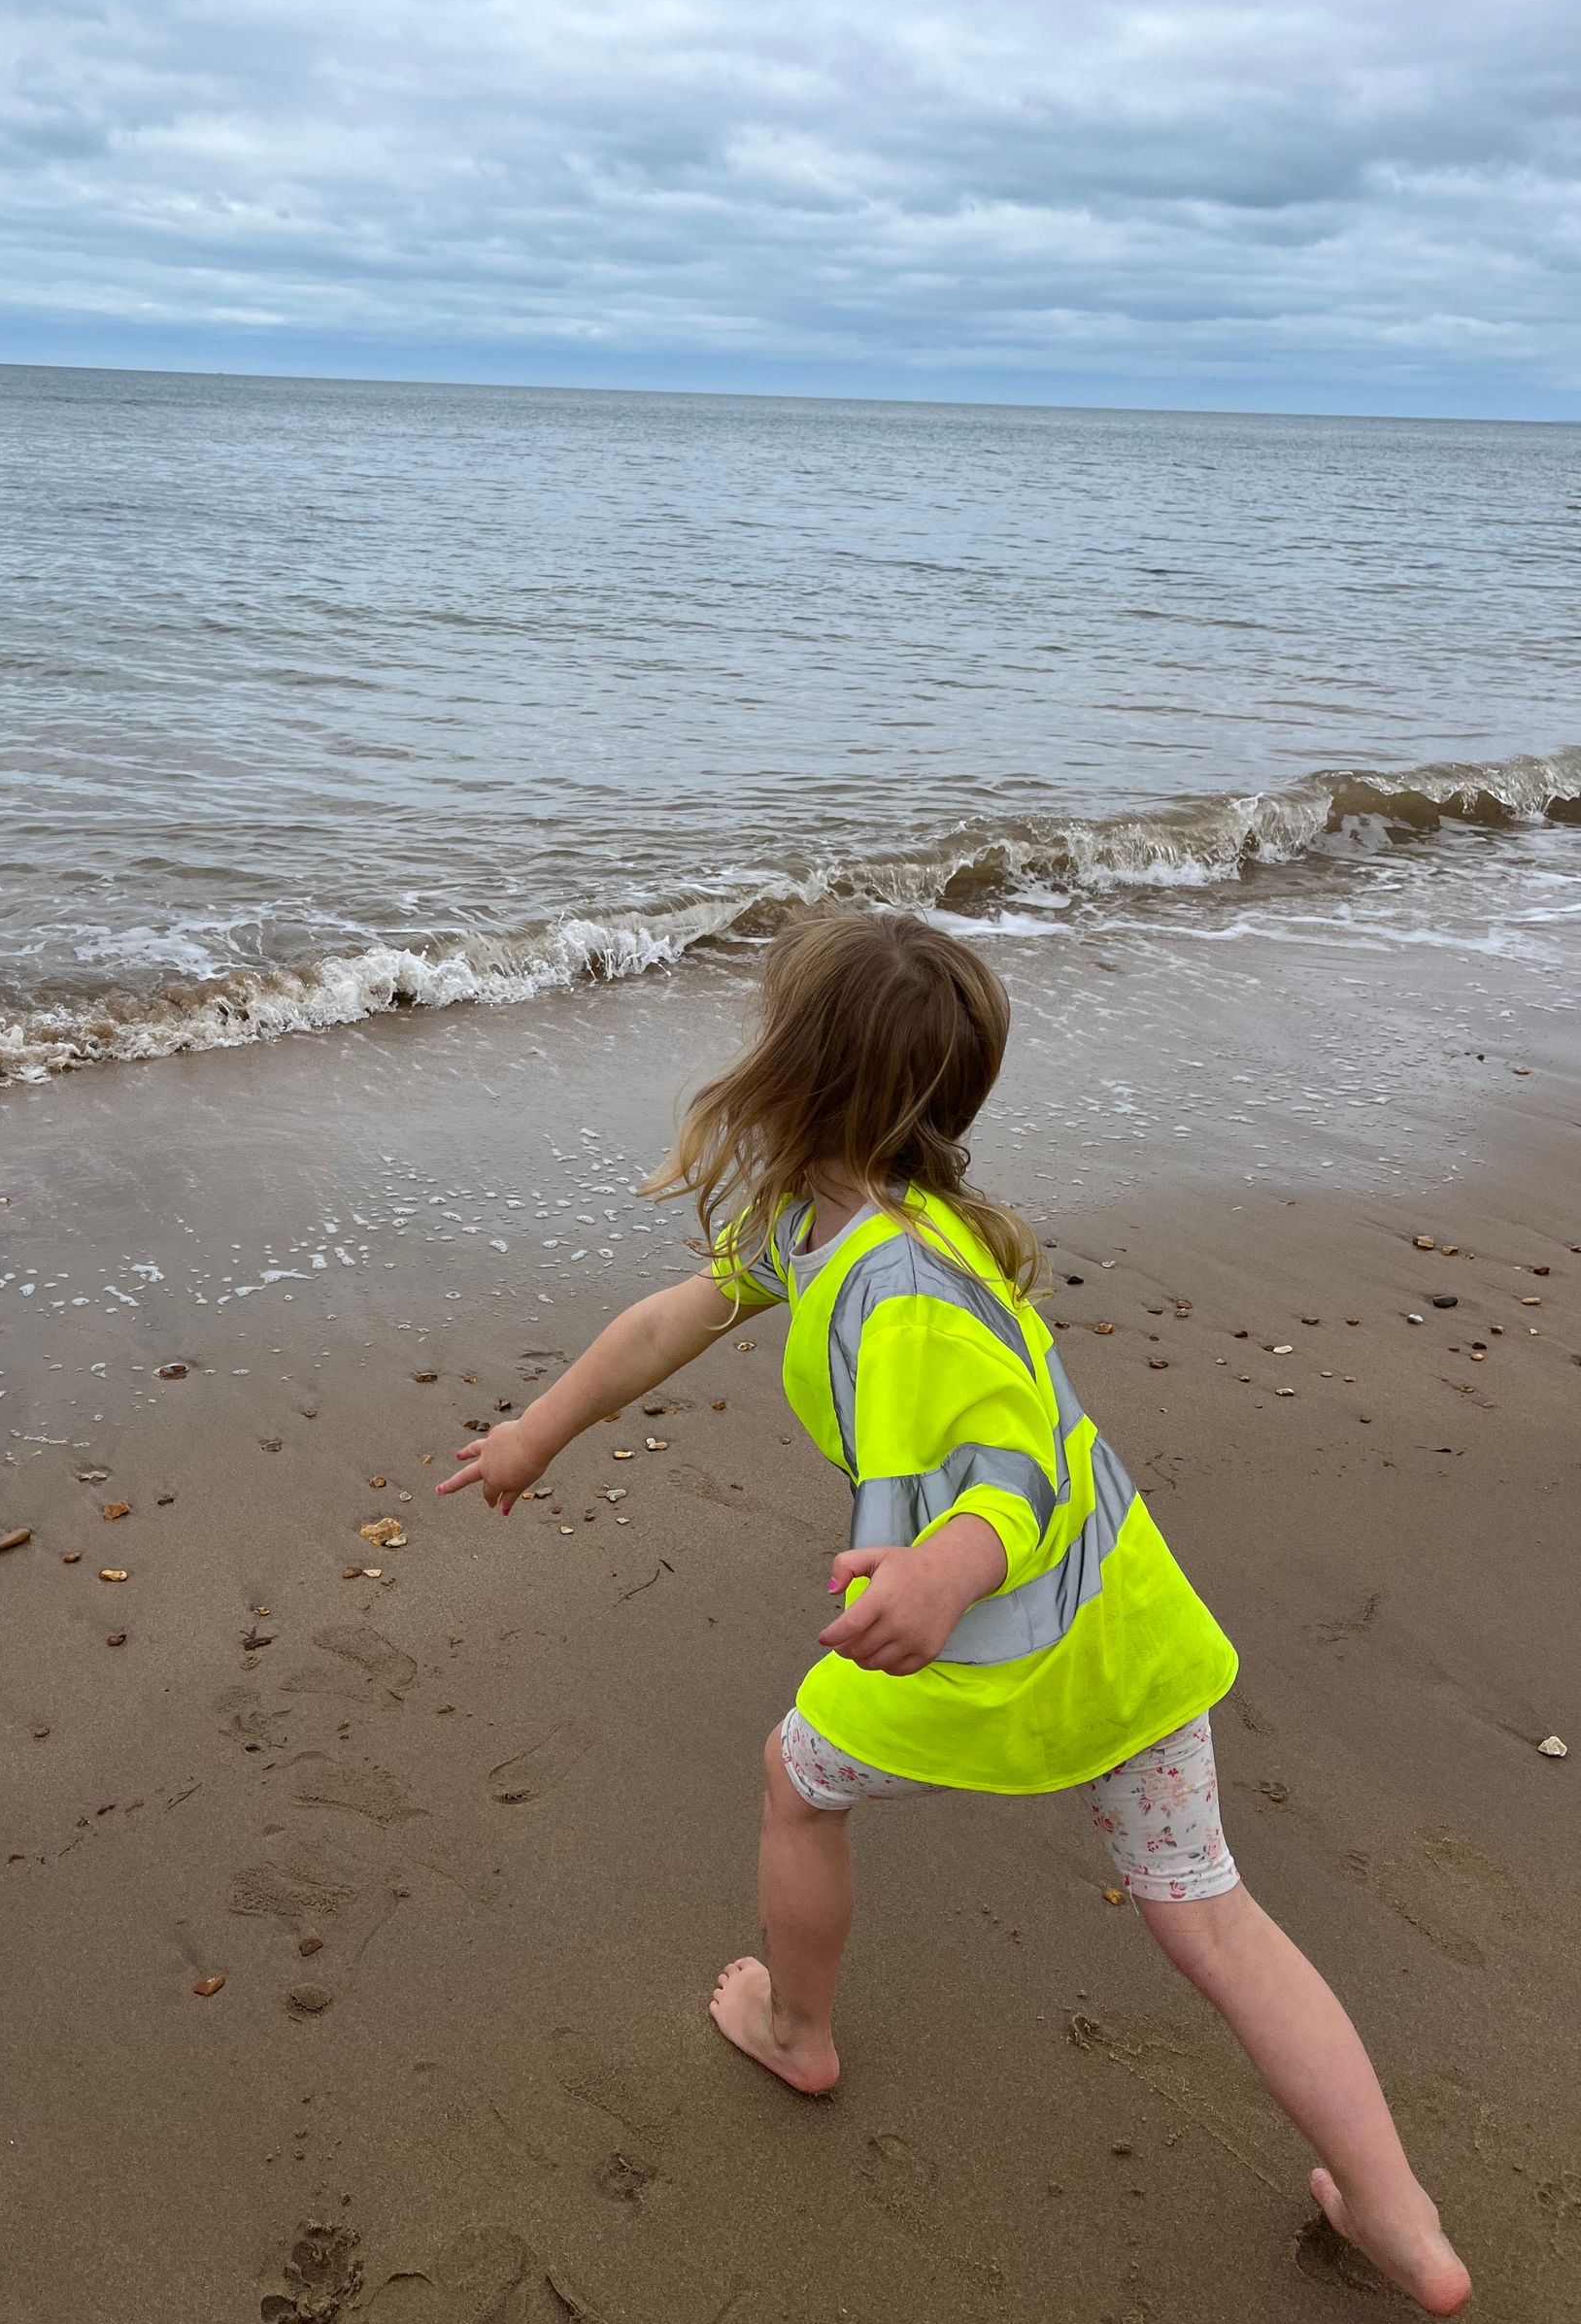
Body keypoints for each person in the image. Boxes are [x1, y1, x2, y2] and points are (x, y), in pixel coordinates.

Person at [437, 906, 1470, 2317]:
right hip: (1117, 1624)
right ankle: (1399, 2215)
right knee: (1212, 1919)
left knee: (798, 1784)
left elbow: (1010, 1477)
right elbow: (673, 1316)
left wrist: (942, 1570)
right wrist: (537, 1432)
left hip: (982, 1627)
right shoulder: (829, 1218)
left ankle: (797, 2029)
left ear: (791, 1072)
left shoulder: (906, 1284)